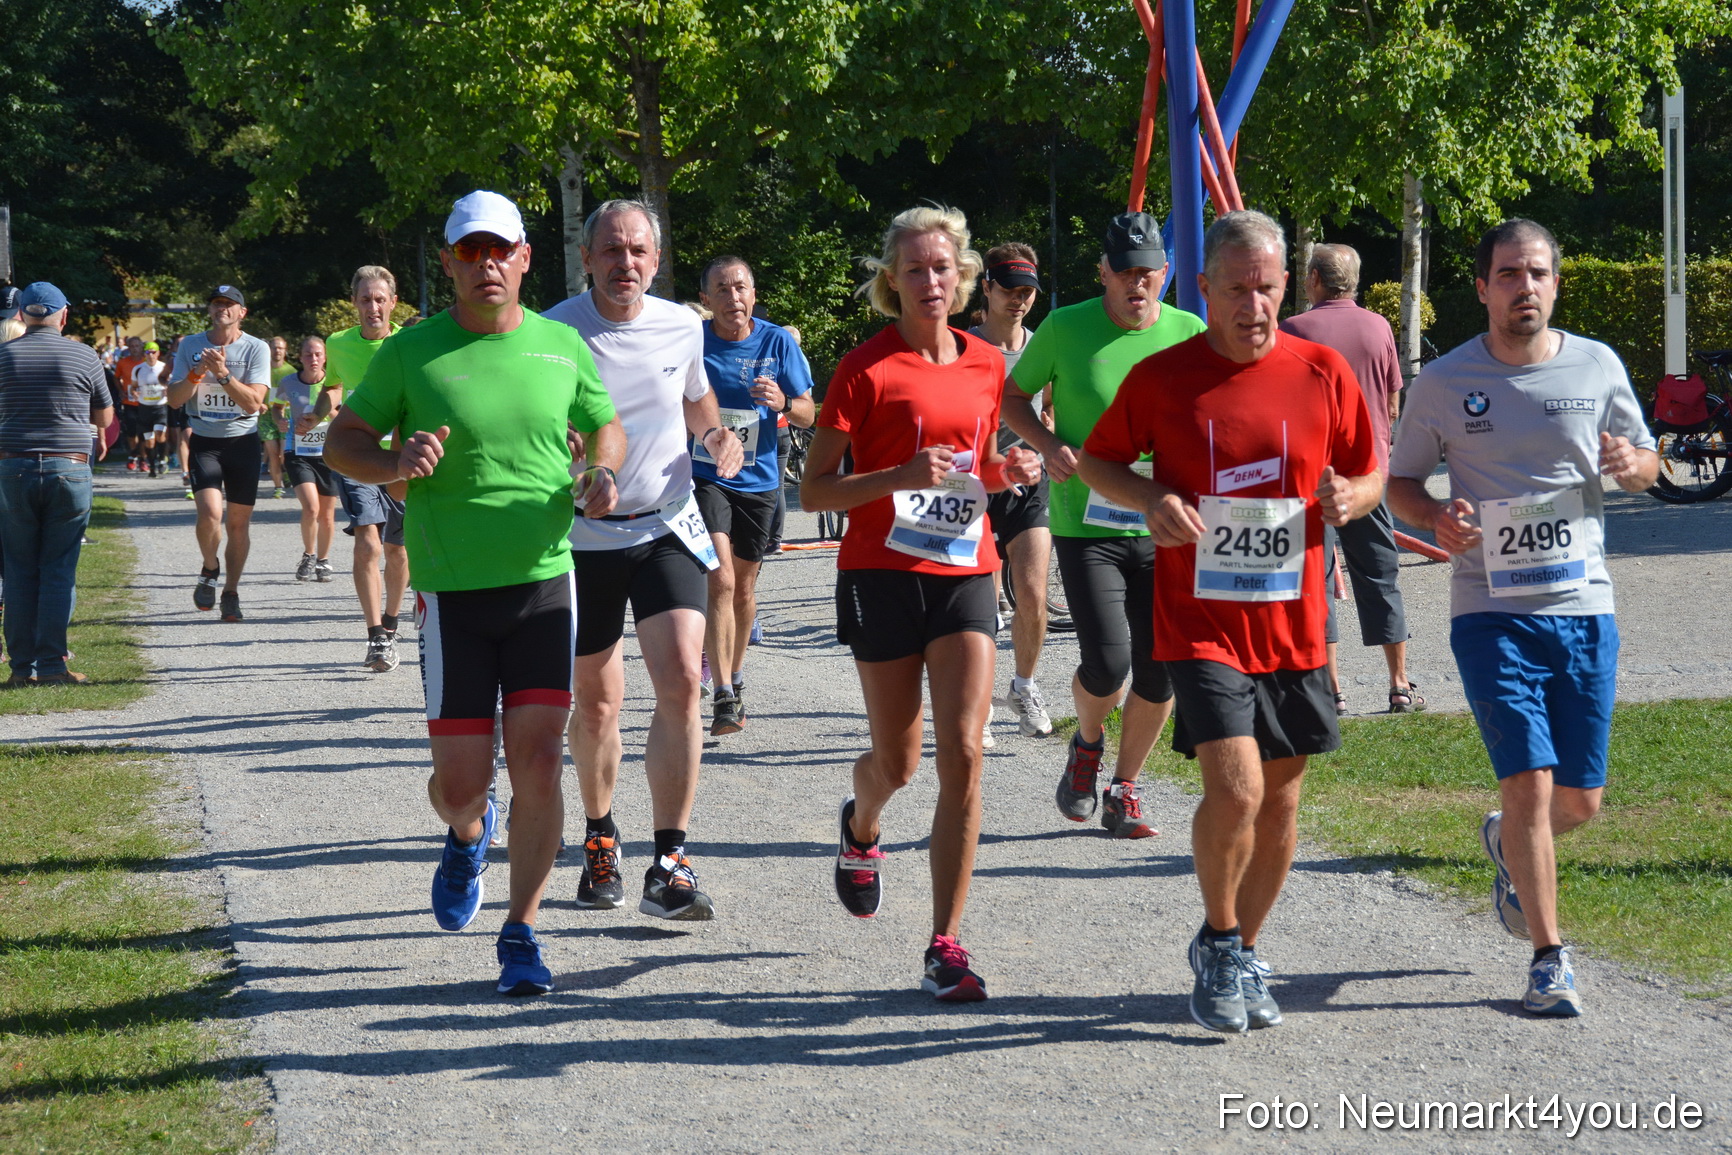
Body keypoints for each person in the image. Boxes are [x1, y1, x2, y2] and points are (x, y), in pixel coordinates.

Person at [1078, 209, 1381, 1034]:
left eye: (1269, 287)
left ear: (1287, 285)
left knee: (1281, 803)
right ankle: (1217, 934)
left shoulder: (1321, 370)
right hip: (1200, 619)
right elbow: (1098, 460)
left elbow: (1369, 467)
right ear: (1204, 288)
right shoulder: (1164, 376)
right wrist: (1150, 499)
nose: (1255, 304)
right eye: (1238, 288)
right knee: (1237, 786)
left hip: (1294, 623)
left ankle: (1238, 948)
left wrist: (1353, 495)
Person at [325, 189, 625, 996]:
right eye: (469, 252)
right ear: (452, 263)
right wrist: (393, 464)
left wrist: (601, 470)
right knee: (462, 783)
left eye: (500, 250)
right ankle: (466, 832)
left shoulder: (562, 345)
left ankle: (522, 931)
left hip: (542, 583)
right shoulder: (409, 354)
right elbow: (340, 441)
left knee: (537, 762)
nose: (486, 264)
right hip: (452, 596)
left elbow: (605, 425)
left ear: (526, 257)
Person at [1387, 219, 1657, 1018]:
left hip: (1584, 607)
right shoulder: (1442, 381)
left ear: (1556, 282)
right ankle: (1549, 957)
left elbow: (1649, 464)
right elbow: (1401, 482)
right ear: (1481, 287)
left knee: (1580, 801)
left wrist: (1630, 464)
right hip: (1489, 612)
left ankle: (1504, 841)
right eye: (1508, 274)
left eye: (1537, 272)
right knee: (1532, 784)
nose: (1524, 287)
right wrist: (1436, 517)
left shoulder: (1598, 363)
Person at [803, 205, 1042, 1001]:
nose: (930, 281)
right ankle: (861, 823)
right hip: (881, 572)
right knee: (898, 763)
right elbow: (813, 489)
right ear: (891, 280)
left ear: (962, 275)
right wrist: (896, 477)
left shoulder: (985, 363)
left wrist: (1008, 473)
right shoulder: (863, 367)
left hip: (967, 568)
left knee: (965, 754)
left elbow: (979, 461)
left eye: (942, 268)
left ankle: (945, 940)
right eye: (914, 269)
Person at [544, 199, 744, 922]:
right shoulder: (554, 330)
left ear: (655, 262)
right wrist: (571, 467)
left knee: (684, 682)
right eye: (611, 250)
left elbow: (696, 400)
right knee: (597, 702)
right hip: (583, 538)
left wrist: (719, 434)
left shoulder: (682, 324)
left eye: (638, 251)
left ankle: (671, 859)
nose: (625, 263)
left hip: (664, 525)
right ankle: (600, 835)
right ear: (588, 257)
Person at [1003, 212, 1206, 839]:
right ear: (1104, 274)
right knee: (1108, 661)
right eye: (1125, 274)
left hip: (1164, 521)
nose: (1137, 286)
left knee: (1159, 666)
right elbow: (1013, 397)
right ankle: (1087, 743)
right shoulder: (1065, 327)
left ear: (1165, 274)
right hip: (1084, 520)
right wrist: (1044, 441)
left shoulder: (1188, 330)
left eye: (1148, 274)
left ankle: (1125, 788)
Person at [1280, 244, 1420, 714]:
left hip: (1309, 478)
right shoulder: (1378, 327)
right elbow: (1393, 400)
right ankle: (1399, 684)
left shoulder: (1293, 331)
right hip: (1367, 475)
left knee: (1315, 584)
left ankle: (1331, 690)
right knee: (1381, 573)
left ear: (1315, 279)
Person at [692, 255, 816, 735]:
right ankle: (722, 693)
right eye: (721, 290)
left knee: (744, 587)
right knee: (719, 579)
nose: (733, 298)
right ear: (706, 300)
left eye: (740, 288)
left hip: (760, 479)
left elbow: (809, 412)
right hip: (706, 474)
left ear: (754, 294)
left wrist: (784, 403)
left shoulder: (777, 341)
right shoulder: (693, 344)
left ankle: (736, 677)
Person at [0, 282, 115, 685]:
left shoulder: (3, 356)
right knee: (58, 569)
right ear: (63, 315)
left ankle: (19, 669)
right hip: (70, 468)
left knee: (17, 570)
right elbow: (103, 419)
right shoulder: (84, 356)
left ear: (22, 316)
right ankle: (52, 665)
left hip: (13, 469)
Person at [968, 243, 1055, 743]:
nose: (1020, 300)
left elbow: (1050, 411)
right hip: (976, 485)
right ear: (986, 289)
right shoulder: (962, 346)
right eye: (1010, 290)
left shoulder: (1044, 345)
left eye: (1028, 292)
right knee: (981, 605)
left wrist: (1048, 441)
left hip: (1029, 484)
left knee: (1033, 593)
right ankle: (977, 703)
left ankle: (1023, 686)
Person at [321, 267, 413, 672]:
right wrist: (316, 414)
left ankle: (391, 625)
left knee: (396, 550)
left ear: (392, 303)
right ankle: (375, 634)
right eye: (365, 299)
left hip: (401, 462)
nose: (372, 307)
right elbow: (333, 386)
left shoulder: (410, 342)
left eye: (380, 299)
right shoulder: (337, 343)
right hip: (360, 457)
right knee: (368, 544)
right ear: (354, 303)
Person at [166, 286, 271, 622]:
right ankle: (210, 568)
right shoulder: (191, 346)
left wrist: (224, 374)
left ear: (243, 312)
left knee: (238, 524)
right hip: (205, 441)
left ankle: (231, 591)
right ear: (209, 311)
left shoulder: (256, 348)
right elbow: (174, 398)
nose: (221, 308)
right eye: (215, 304)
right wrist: (198, 373)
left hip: (243, 442)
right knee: (210, 514)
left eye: (229, 304)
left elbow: (254, 402)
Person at [279, 336, 340, 580]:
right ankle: (309, 554)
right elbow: (276, 405)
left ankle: (323, 561)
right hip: (298, 452)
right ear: (300, 357)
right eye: (308, 354)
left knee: (327, 512)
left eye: (317, 354)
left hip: (327, 454)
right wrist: (279, 420)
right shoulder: (287, 382)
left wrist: (326, 412)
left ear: (325, 357)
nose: (313, 359)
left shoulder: (336, 385)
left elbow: (345, 416)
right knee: (311, 507)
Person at [130, 341, 173, 478]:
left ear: (158, 353)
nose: (151, 355)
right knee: (149, 440)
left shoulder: (164, 368)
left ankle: (162, 459)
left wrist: (168, 391)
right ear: (144, 354)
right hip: (145, 408)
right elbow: (133, 386)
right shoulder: (138, 369)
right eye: (148, 352)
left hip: (160, 406)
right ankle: (152, 465)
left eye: (153, 352)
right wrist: (134, 392)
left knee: (160, 435)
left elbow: (172, 384)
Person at [262, 335, 292, 498]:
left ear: (285, 350)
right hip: (266, 417)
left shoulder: (290, 372)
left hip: (284, 415)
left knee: (283, 454)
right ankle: (278, 487)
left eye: (280, 348)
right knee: (273, 454)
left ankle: (286, 472)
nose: (277, 351)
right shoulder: (262, 369)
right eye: (274, 348)